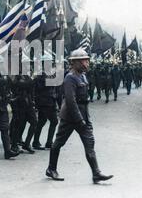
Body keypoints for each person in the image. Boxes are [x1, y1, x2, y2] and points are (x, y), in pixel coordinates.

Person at [46, 49, 113, 183]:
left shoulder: (82, 76)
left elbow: (84, 101)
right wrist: (79, 119)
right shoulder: (70, 77)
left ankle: (96, 173)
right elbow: (71, 101)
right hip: (70, 117)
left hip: (83, 115)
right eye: (84, 60)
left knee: (90, 143)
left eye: (87, 60)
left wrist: (86, 119)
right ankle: (51, 169)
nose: (87, 63)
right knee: (58, 143)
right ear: (75, 62)